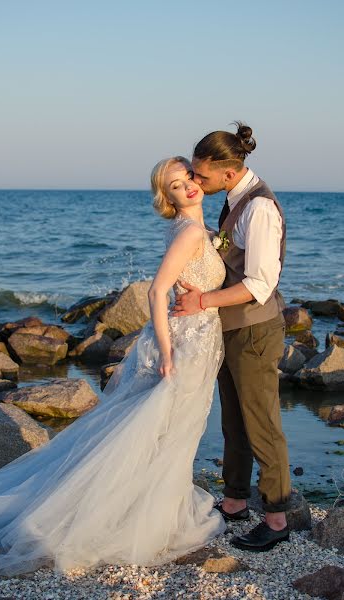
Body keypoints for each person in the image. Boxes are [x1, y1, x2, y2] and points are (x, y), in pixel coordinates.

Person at [0, 157, 226, 577]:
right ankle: (126, 519)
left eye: (187, 175)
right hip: (183, 343)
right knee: (157, 431)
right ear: (165, 197)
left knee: (158, 431)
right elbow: (156, 292)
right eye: (174, 184)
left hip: (198, 336)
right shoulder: (188, 232)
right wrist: (168, 353)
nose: (186, 185)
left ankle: (144, 507)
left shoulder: (199, 231)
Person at [172, 122, 291, 552]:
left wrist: (201, 301)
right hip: (231, 327)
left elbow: (259, 284)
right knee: (233, 421)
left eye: (201, 177)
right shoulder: (234, 199)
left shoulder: (258, 209)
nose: (196, 182)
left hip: (256, 330)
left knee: (262, 423)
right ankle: (236, 501)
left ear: (228, 171)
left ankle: (277, 518)